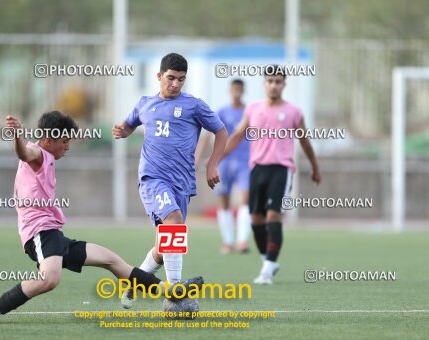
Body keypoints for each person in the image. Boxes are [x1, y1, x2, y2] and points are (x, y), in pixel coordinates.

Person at [0, 111, 202, 324]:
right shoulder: (38, 153)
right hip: (39, 233)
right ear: (48, 141)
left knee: (111, 260)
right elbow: (24, 153)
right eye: (64, 142)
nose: (68, 147)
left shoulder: (44, 153)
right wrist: (17, 136)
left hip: (54, 235)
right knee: (49, 279)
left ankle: (171, 291)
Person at [113, 53, 227, 308]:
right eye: (171, 78)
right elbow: (130, 124)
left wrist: (212, 163)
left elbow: (220, 130)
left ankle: (134, 283)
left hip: (182, 183)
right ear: (159, 76)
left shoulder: (194, 105)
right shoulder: (145, 104)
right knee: (174, 223)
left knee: (165, 249)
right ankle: (175, 291)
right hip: (153, 178)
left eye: (181, 80)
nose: (175, 84)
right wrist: (123, 130)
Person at [223, 66, 321, 285]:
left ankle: (266, 272)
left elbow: (304, 140)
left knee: (273, 216)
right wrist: (217, 158)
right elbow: (238, 135)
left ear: (284, 84)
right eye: (270, 81)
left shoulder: (294, 112)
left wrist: (315, 166)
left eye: (278, 81)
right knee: (255, 219)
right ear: (264, 84)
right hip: (257, 169)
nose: (274, 85)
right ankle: (268, 261)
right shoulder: (253, 108)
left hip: (281, 169)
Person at [195, 79, 251, 254]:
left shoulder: (249, 112)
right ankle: (228, 241)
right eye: (234, 89)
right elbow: (207, 135)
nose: (236, 92)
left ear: (243, 91)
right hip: (224, 162)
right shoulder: (222, 112)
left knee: (246, 199)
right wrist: (197, 157)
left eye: (239, 89)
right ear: (230, 90)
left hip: (245, 162)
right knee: (224, 200)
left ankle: (242, 241)